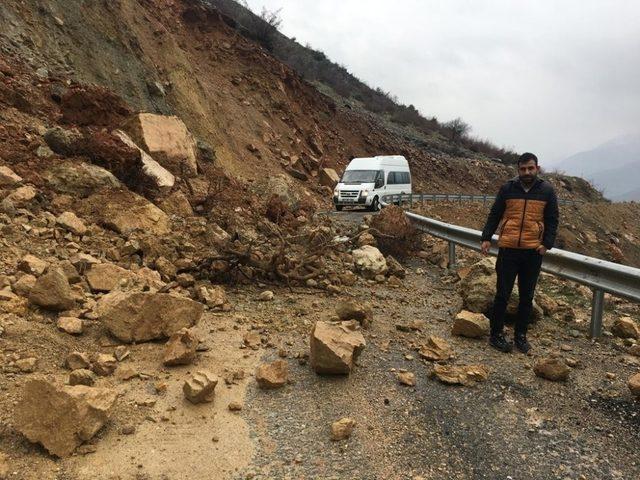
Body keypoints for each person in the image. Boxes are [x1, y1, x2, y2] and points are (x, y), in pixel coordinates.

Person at [480, 152, 559, 353]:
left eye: (530, 168)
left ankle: (520, 337)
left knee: (527, 296)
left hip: (532, 252)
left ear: (537, 169)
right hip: (508, 249)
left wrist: (546, 244)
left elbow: (552, 220)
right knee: (502, 295)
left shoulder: (547, 191)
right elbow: (495, 213)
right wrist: (486, 237)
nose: (526, 172)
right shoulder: (508, 188)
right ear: (518, 170)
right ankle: (496, 335)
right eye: (523, 169)